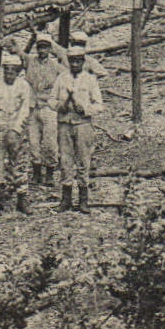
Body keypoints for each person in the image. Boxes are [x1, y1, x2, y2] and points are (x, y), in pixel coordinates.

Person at [0, 53, 33, 213]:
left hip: (16, 130)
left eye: (13, 71)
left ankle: (22, 198)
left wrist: (16, 130)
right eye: (6, 70)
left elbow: (24, 109)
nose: (9, 74)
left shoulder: (23, 86)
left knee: (19, 164)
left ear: (18, 71)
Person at [54, 45, 104, 213]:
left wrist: (86, 109)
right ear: (68, 61)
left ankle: (83, 200)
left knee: (83, 161)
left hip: (83, 125)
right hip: (64, 124)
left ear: (83, 62)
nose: (75, 64)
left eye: (78, 61)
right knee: (65, 161)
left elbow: (99, 105)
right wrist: (59, 106)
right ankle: (66, 199)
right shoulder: (61, 78)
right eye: (72, 61)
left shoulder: (90, 80)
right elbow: (51, 100)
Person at [22, 33, 63, 188]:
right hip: (33, 107)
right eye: (40, 47)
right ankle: (37, 173)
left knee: (50, 141)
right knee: (33, 141)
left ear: (50, 49)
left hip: (49, 107)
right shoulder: (30, 62)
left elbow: (67, 78)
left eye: (45, 47)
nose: (42, 50)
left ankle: (50, 173)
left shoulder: (55, 66)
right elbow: (19, 53)